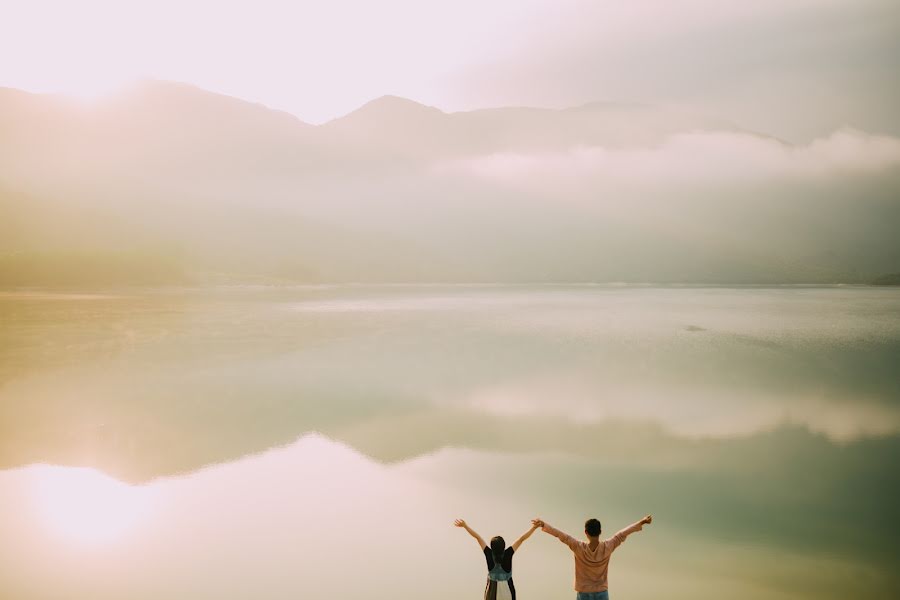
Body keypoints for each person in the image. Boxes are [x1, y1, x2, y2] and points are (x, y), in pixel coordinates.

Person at [532, 514, 652, 600]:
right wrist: (642, 522)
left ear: (586, 532)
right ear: (600, 531)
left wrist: (544, 524)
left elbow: (561, 535)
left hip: (584, 593)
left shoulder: (578, 547)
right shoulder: (608, 546)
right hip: (602, 592)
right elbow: (623, 533)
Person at [454, 518, 539, 600]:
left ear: (492, 547)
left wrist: (465, 526)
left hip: (492, 593)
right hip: (507, 592)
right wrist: (534, 527)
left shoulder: (488, 553)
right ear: (503, 546)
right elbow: (521, 539)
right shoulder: (508, 553)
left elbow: (478, 537)